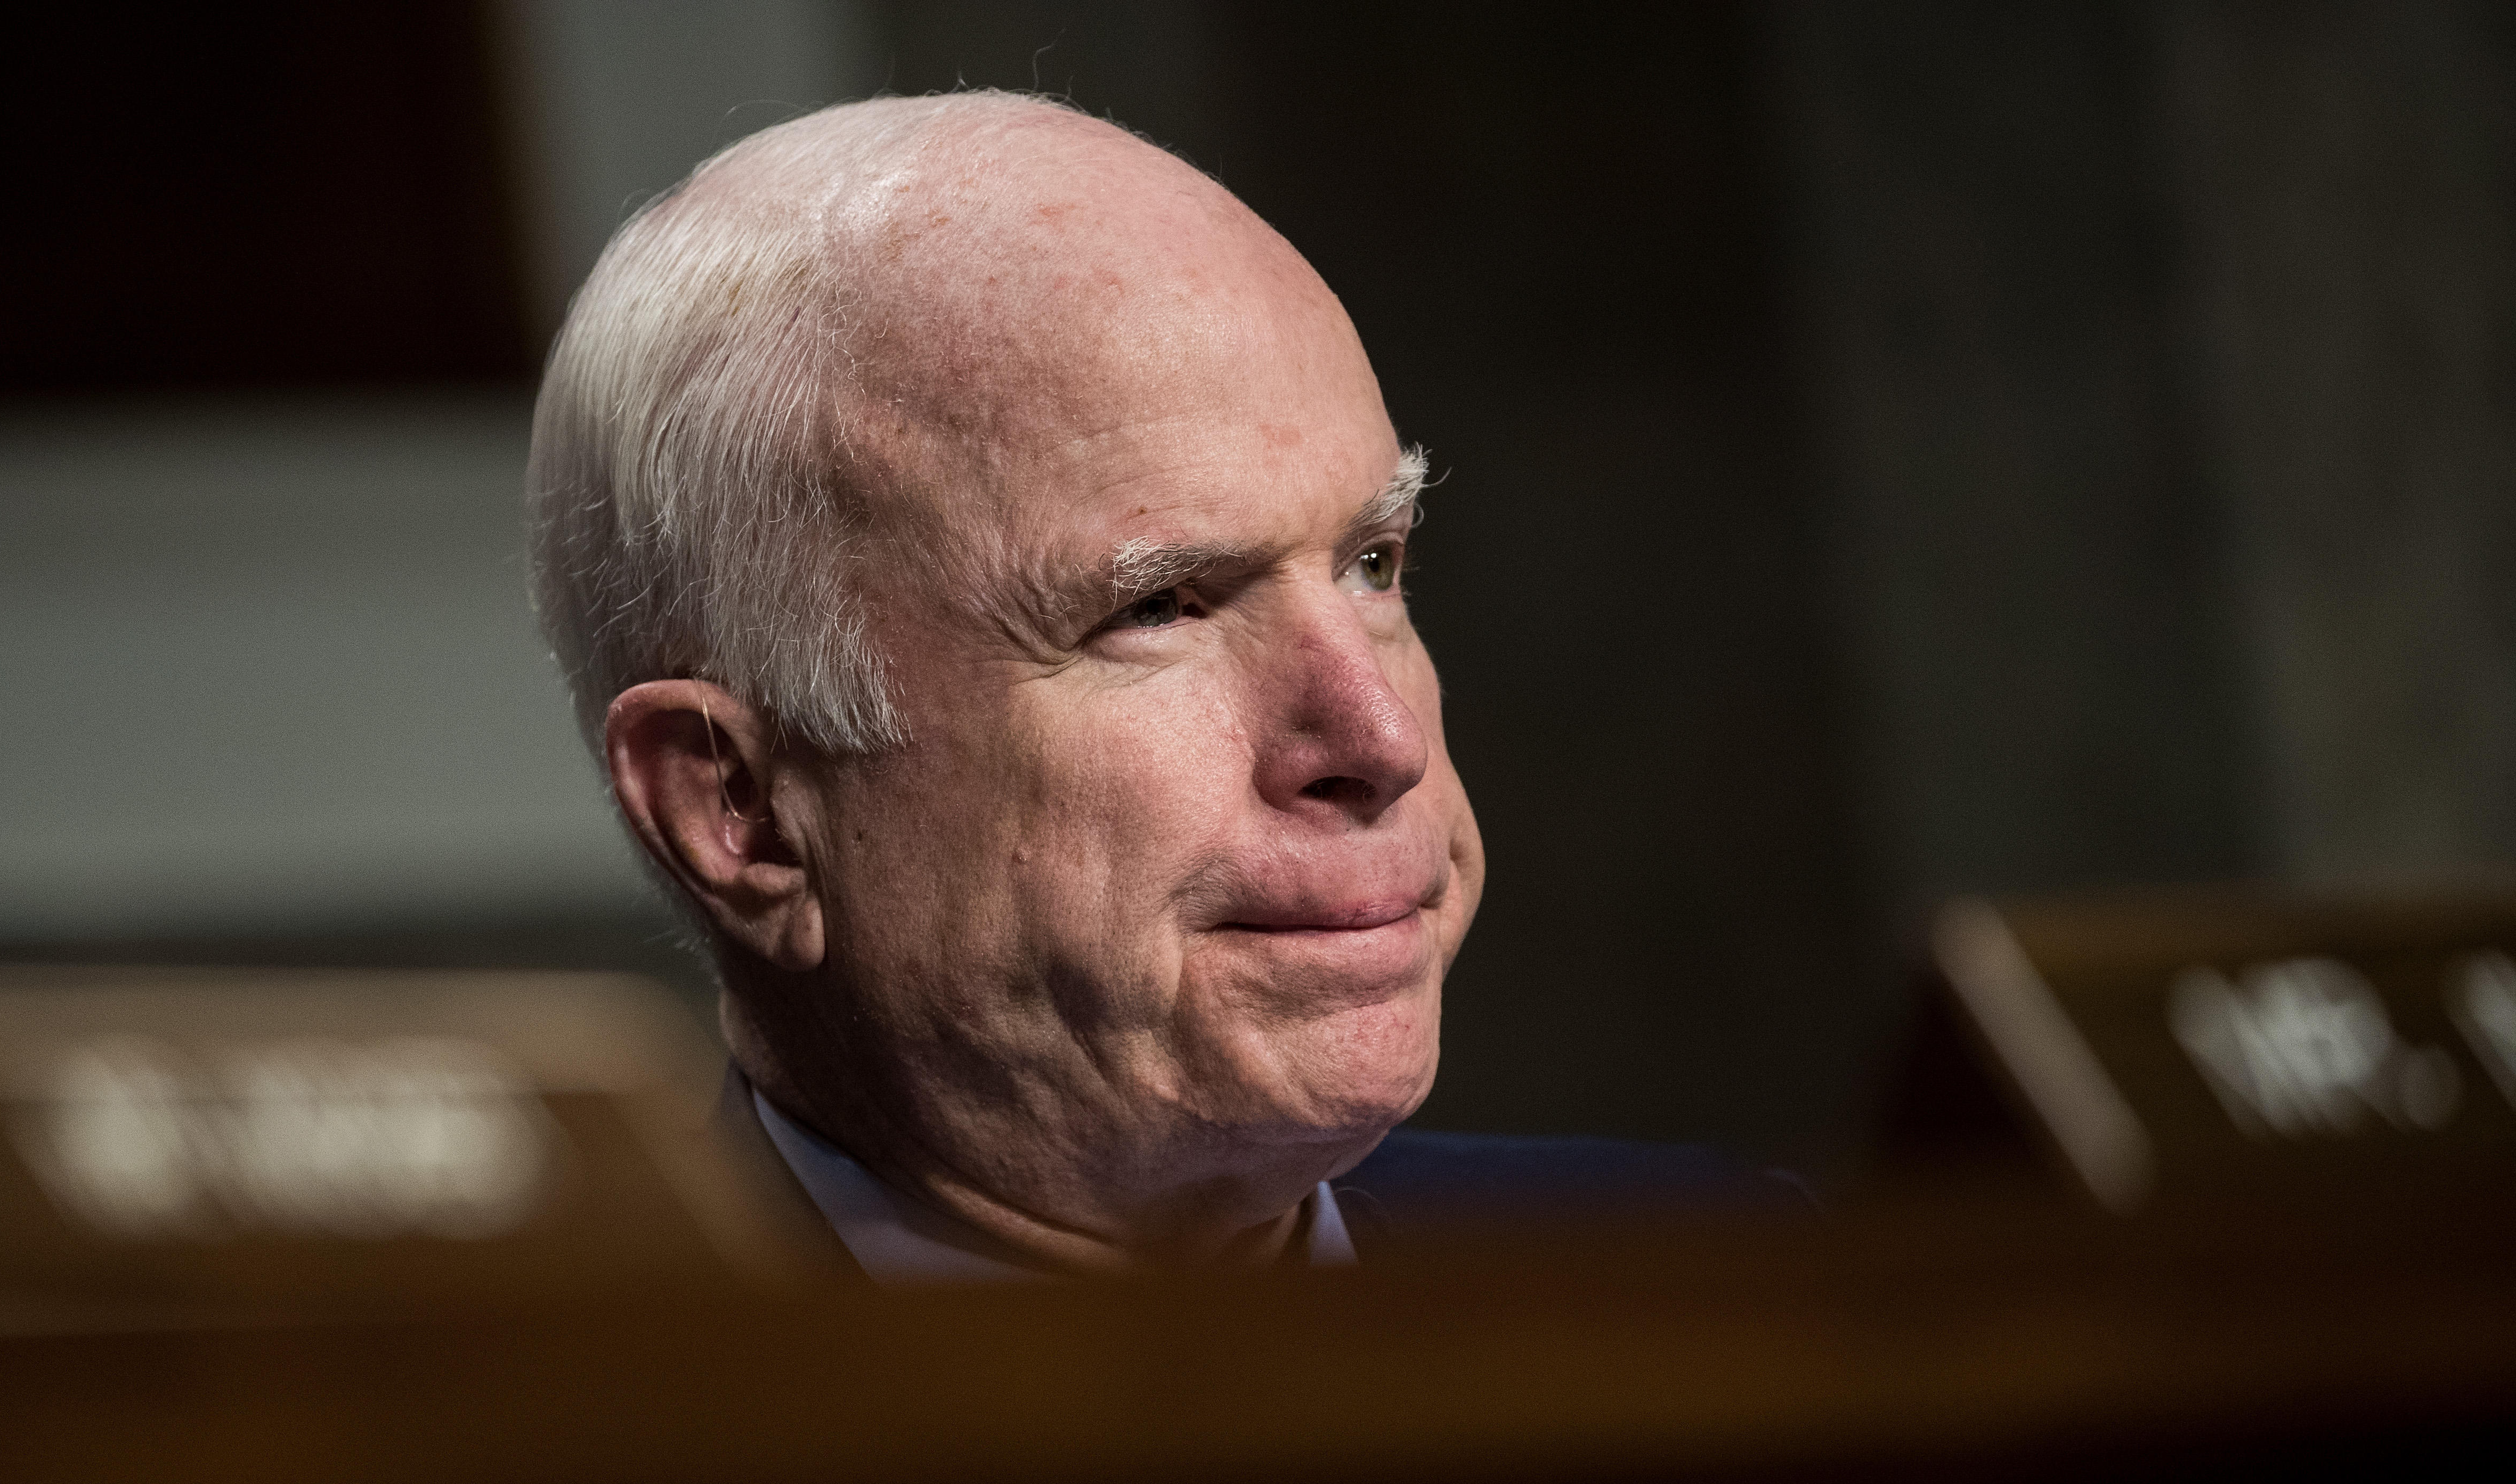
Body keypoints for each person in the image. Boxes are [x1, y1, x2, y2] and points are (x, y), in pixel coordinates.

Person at [529, 92, 1789, 1281]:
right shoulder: (509, 1467)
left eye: (1373, 564)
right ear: (740, 808)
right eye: (1158, 609)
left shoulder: (1744, 1289)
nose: (1381, 739)